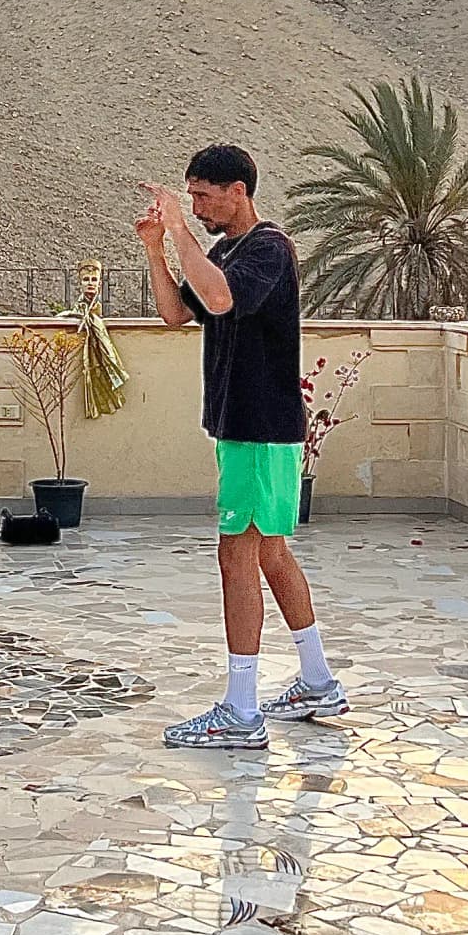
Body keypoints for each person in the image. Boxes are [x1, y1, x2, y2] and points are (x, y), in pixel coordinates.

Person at [136, 144, 347, 747]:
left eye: (204, 195)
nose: (197, 206)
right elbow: (179, 312)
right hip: (246, 428)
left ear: (239, 191)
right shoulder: (227, 252)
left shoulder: (268, 248)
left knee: (237, 558)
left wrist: (179, 231)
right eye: (191, 197)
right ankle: (317, 681)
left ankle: (241, 711)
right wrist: (158, 248)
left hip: (259, 427)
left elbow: (224, 297)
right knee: (271, 555)